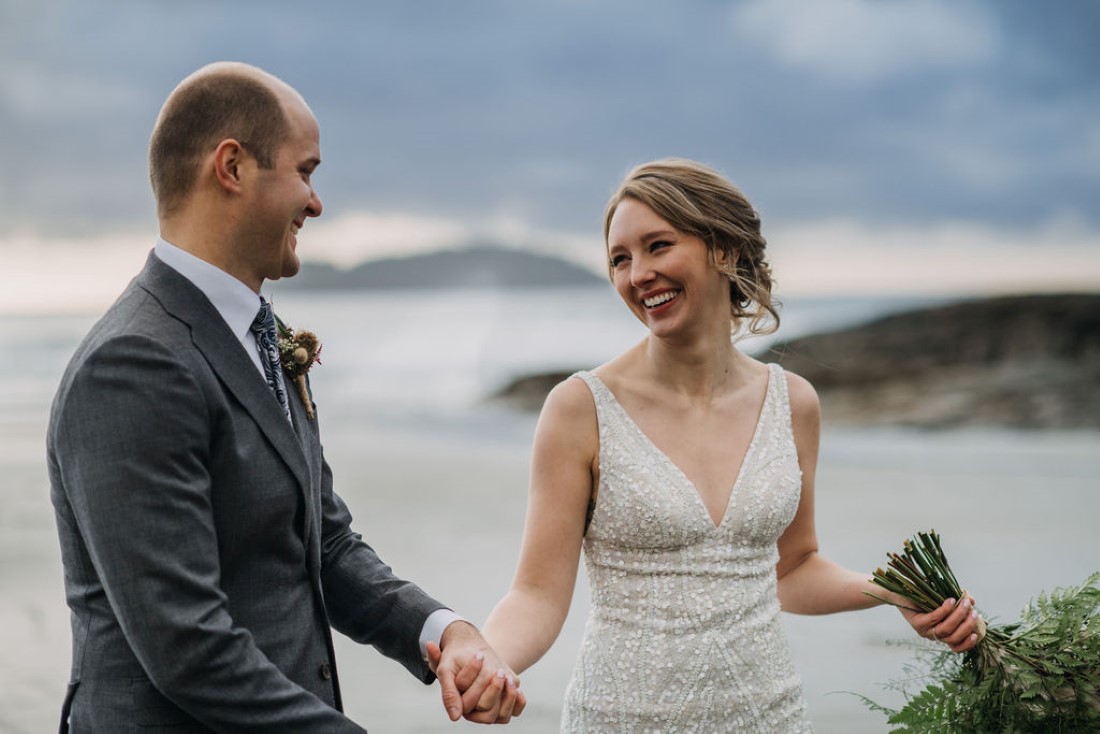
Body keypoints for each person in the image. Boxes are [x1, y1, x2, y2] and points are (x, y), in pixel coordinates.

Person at [46, 61, 522, 732]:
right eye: (306, 172)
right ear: (232, 168)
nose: (317, 202)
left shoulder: (261, 335)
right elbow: (188, 649)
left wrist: (447, 632)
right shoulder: (134, 363)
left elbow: (322, 544)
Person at [473, 158, 983, 731]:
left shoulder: (794, 403)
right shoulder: (579, 408)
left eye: (658, 246)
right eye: (620, 258)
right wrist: (488, 663)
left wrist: (895, 592)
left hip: (768, 718)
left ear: (724, 250)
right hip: (620, 719)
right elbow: (537, 595)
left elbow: (791, 569)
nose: (637, 274)